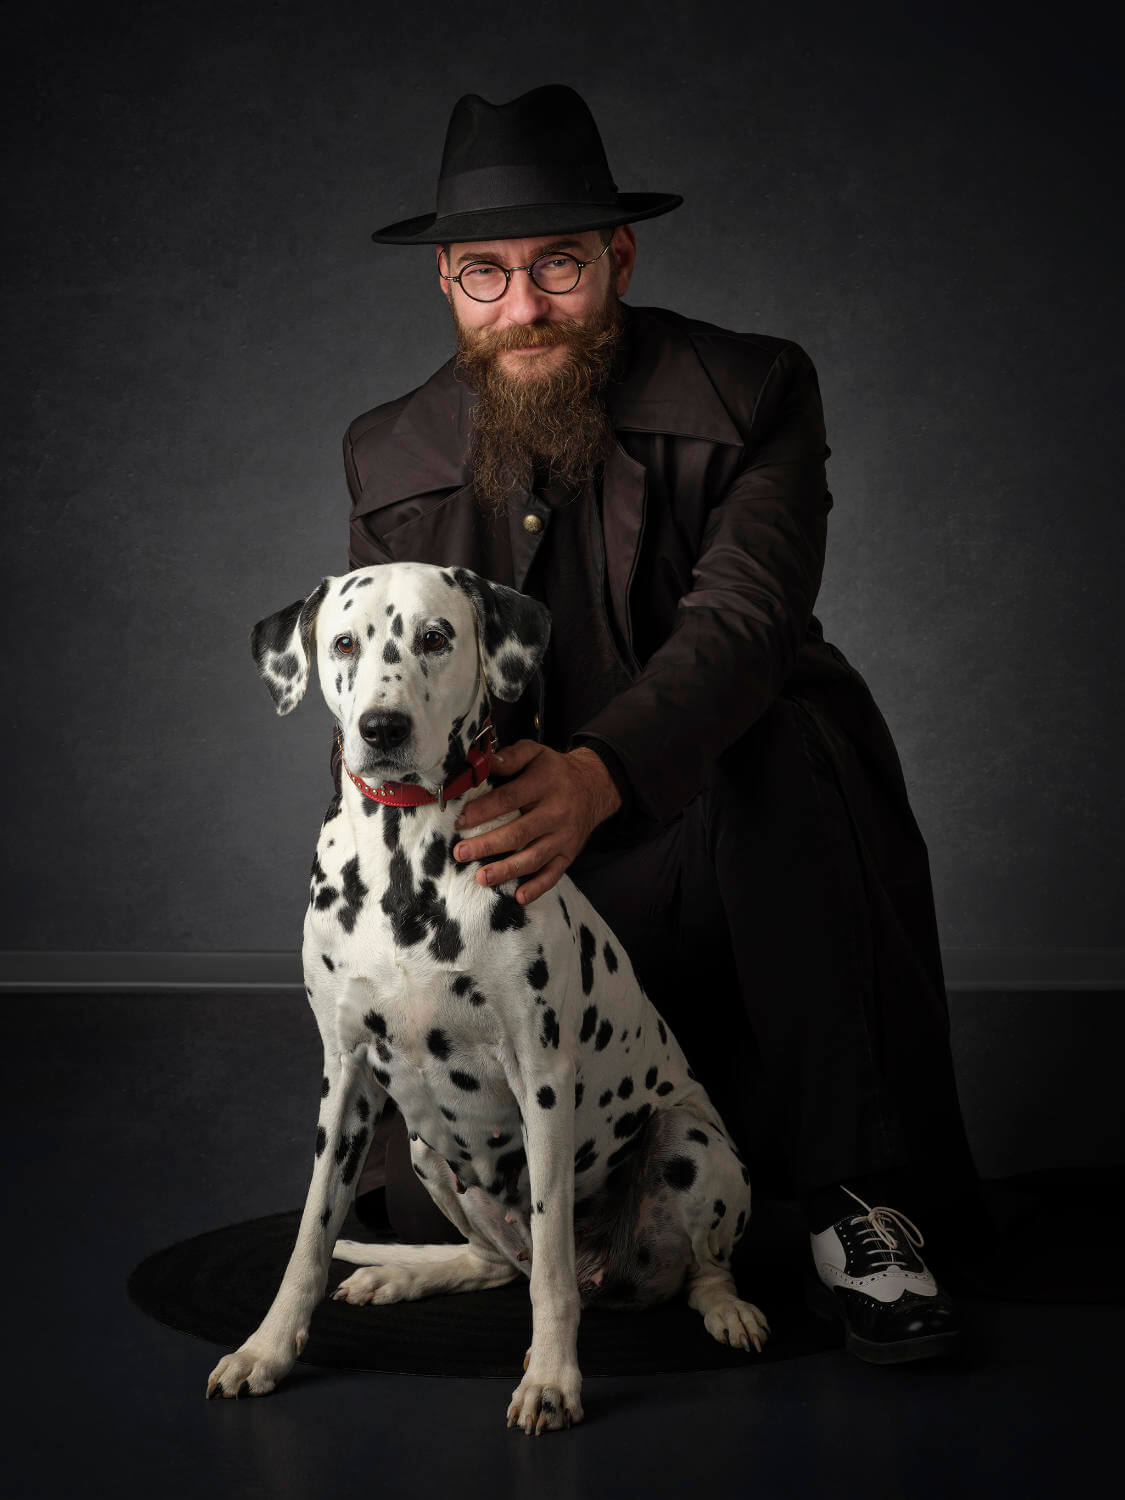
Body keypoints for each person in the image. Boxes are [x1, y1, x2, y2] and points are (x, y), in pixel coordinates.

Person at [335, 84, 987, 1363]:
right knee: (418, 1181)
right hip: (520, 886)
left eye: (560, 265)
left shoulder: (753, 389)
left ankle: (858, 1207)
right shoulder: (386, 454)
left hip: (731, 848)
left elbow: (746, 619)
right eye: (485, 274)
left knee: (788, 738)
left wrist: (598, 774)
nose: (524, 306)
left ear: (619, 259)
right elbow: (377, 712)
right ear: (448, 285)